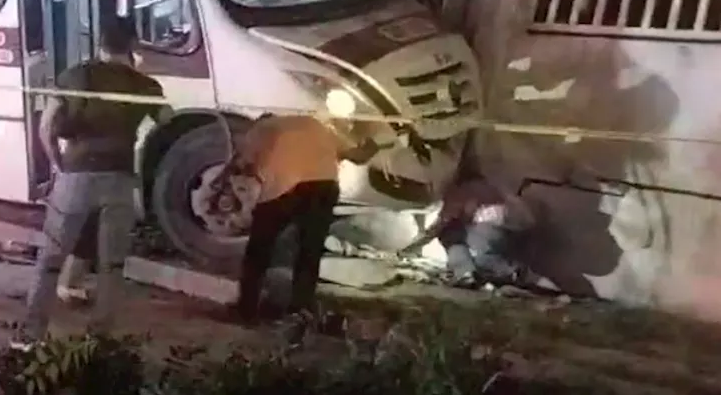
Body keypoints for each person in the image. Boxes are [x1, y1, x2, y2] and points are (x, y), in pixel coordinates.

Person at [13, 23, 167, 349]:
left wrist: (58, 165)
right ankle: (100, 340)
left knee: (52, 259)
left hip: (76, 177)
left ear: (100, 44)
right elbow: (170, 124)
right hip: (121, 181)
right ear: (133, 46)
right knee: (111, 265)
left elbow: (46, 127)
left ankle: (30, 336)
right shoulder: (145, 85)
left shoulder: (75, 75)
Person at [211, 113, 381, 323]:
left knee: (259, 249)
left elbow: (244, 162)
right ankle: (299, 312)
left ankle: (246, 310)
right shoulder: (316, 124)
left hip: (287, 188)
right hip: (325, 187)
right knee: (309, 252)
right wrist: (376, 139)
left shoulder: (262, 128)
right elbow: (358, 155)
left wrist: (227, 181)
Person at [403, 175, 536, 287]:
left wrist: (411, 247)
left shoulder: (457, 193)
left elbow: (440, 226)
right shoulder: (486, 186)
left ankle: (464, 272)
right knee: (483, 257)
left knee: (450, 233)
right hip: (519, 230)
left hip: (493, 227)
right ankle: (516, 272)